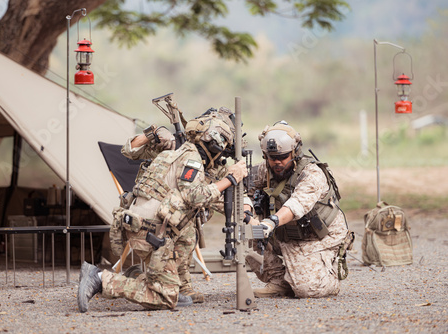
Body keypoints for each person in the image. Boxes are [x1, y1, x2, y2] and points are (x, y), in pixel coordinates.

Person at [78, 110, 247, 311]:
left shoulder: (195, 158)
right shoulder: (189, 157)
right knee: (166, 297)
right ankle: (100, 279)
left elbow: (214, 197)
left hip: (147, 225)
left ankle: (155, 280)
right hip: (151, 231)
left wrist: (245, 206)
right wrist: (231, 179)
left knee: (187, 230)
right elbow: (194, 196)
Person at [117, 107, 233, 304]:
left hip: (183, 212)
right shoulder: (178, 148)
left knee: (188, 232)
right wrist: (153, 133)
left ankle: (181, 284)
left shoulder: (217, 163)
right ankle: (148, 281)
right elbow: (128, 150)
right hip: (156, 216)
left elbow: (227, 196)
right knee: (181, 228)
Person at [243, 121, 353, 299]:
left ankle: (329, 276)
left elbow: (296, 205)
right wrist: (248, 214)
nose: (277, 162)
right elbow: (242, 189)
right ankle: (279, 281)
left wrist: (270, 223)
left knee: (307, 290)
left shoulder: (311, 173)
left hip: (319, 238)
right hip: (287, 234)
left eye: (283, 157)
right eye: (272, 158)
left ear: (294, 153)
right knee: (242, 232)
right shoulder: (266, 169)